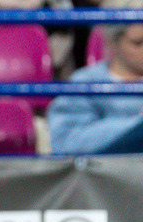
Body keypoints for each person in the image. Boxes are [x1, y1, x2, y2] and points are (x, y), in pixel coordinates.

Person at [48, 20, 143, 153]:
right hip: (105, 165)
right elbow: (64, 142)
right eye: (138, 43)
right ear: (113, 42)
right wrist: (136, 126)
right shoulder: (86, 82)